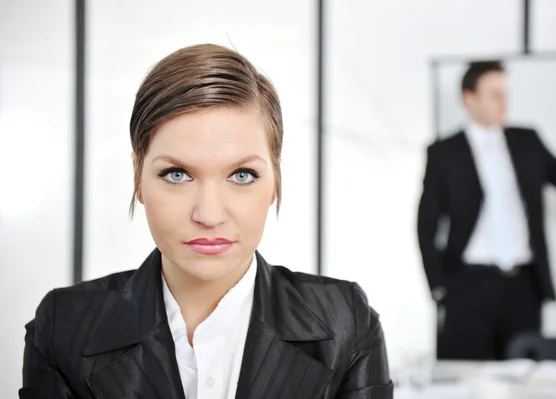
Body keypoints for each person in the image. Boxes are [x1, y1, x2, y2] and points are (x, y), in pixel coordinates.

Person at [20, 44, 392, 398]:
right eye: (177, 174)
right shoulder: (62, 327)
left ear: (275, 179)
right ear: (138, 177)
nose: (209, 215)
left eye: (242, 175)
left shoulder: (347, 322)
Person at [417, 60, 556, 360]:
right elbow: (426, 224)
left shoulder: (527, 140)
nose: (505, 102)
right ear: (469, 98)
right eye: (495, 94)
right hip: (468, 285)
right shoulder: (444, 152)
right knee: (464, 378)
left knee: (527, 377)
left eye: (506, 93)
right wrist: (438, 285)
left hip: (523, 286)